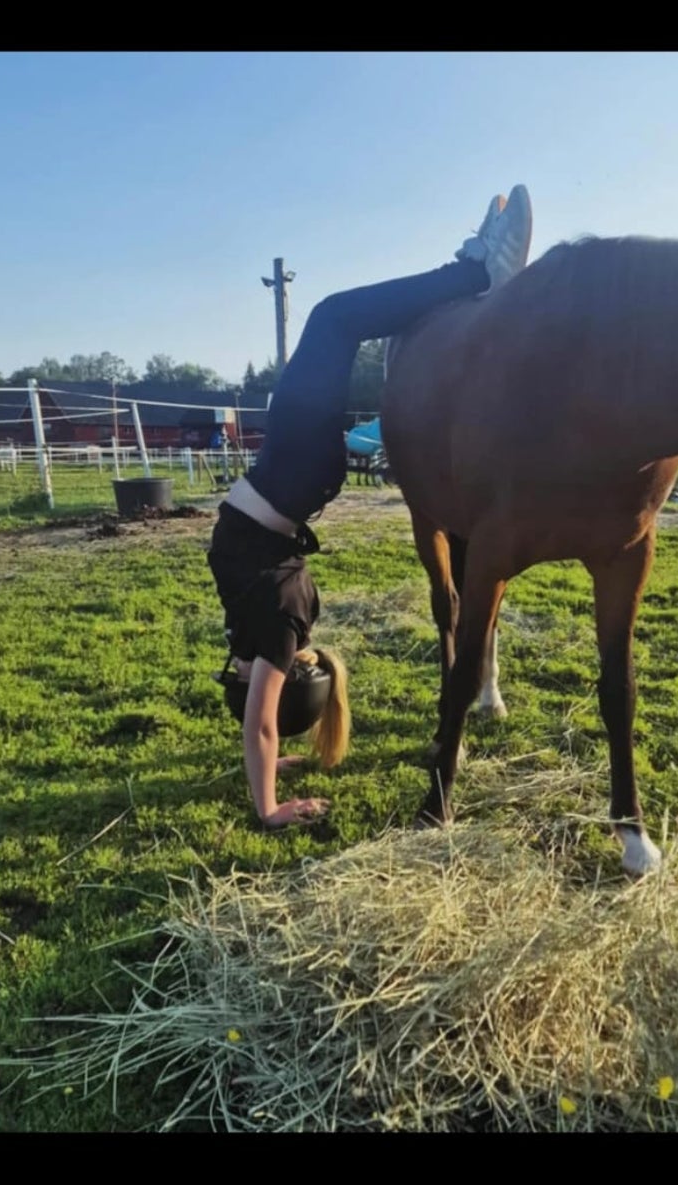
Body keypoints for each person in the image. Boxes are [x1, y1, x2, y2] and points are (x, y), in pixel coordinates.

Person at [208, 187, 533, 830]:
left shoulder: (257, 628)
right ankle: (476, 272)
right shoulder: (279, 621)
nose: (237, 672)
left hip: (292, 479)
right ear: (289, 668)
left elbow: (262, 723)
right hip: (290, 472)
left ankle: (469, 275)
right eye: (249, 678)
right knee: (333, 318)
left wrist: (273, 766)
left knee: (333, 321)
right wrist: (269, 808)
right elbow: (262, 727)